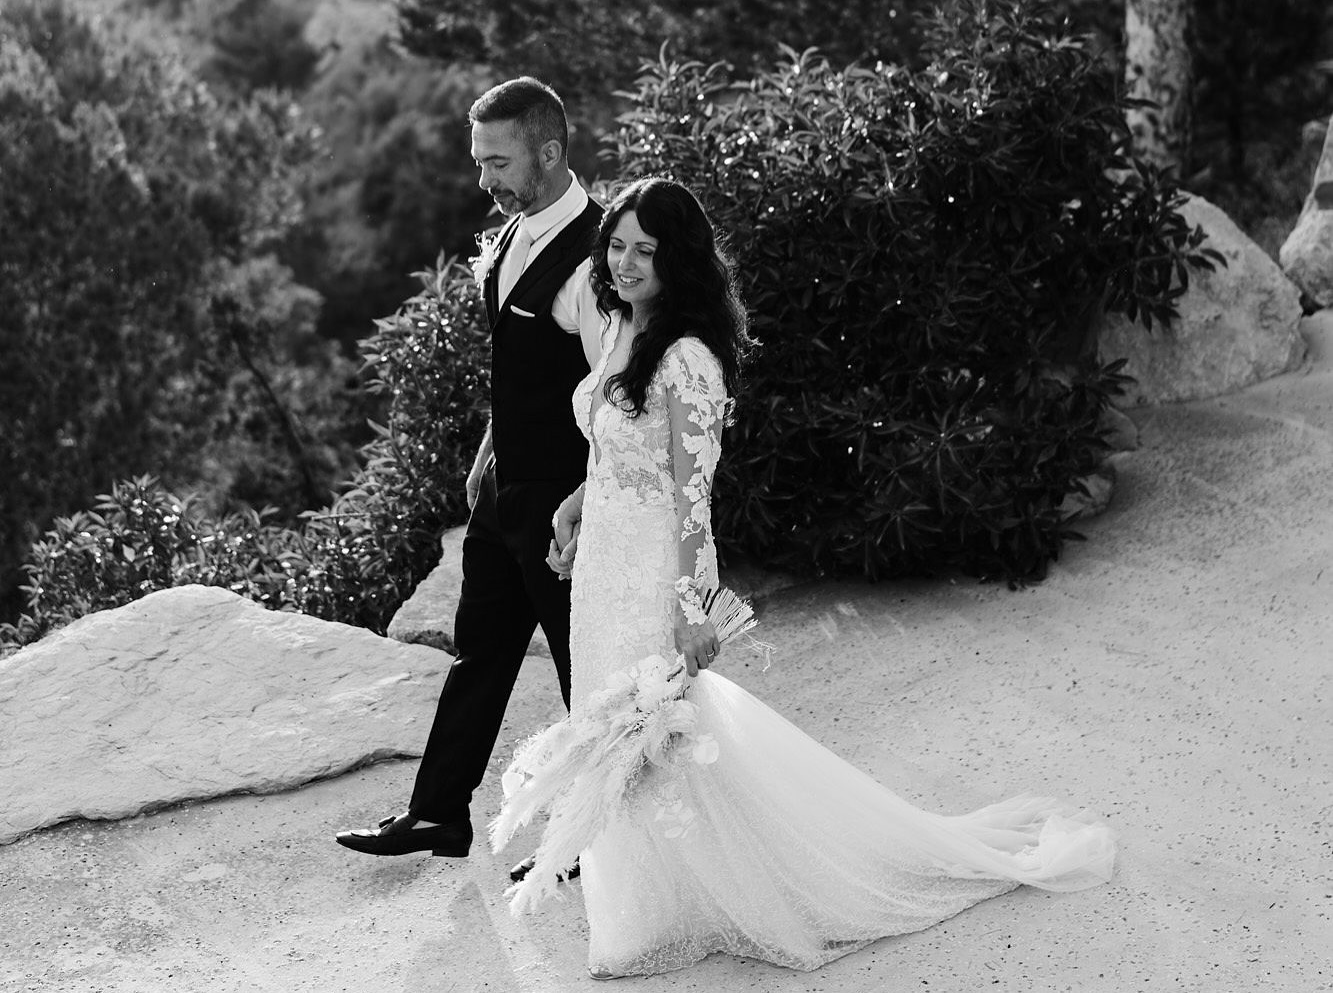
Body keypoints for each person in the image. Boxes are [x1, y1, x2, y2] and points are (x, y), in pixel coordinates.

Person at [527, 176, 1116, 979]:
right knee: (618, 738)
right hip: (600, 574)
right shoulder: (624, 331)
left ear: (680, 261)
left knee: (655, 741)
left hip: (650, 580)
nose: (624, 262)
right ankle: (652, 910)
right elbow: (616, 456)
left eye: (644, 251)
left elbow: (692, 500)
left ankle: (700, 909)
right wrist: (573, 505)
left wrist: (693, 608)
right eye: (617, 245)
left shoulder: (690, 360)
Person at [336, 77, 603, 866]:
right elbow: (519, 367)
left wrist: (587, 501)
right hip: (500, 493)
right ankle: (436, 816)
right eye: (478, 162)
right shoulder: (514, 234)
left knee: (580, 670)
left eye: (497, 162)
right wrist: (490, 447)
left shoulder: (593, 259)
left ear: (549, 153)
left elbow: (611, 393)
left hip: (560, 503)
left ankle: (596, 835)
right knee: (478, 653)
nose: (483, 181)